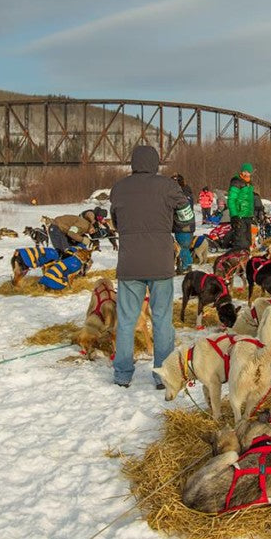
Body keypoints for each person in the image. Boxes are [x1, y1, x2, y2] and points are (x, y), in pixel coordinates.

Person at [109, 145, 188, 389]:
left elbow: (115, 220)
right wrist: (179, 229)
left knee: (126, 320)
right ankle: (163, 374)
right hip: (160, 262)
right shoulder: (168, 186)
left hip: (130, 262)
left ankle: (123, 374)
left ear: (134, 163)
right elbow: (186, 213)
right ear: (155, 163)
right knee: (162, 319)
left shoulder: (119, 188)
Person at [227, 163, 255, 250]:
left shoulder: (249, 184)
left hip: (247, 216)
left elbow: (249, 201)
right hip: (239, 216)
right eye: (245, 172)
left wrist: (252, 213)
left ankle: (245, 259)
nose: (246, 174)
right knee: (240, 242)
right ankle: (237, 257)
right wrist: (234, 215)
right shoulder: (236, 182)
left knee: (248, 241)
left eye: (248, 172)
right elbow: (231, 200)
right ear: (241, 172)